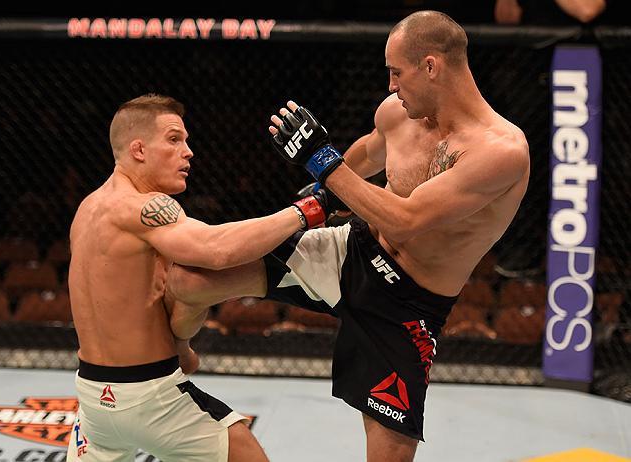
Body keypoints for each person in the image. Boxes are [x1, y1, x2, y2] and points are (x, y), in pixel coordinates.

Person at [168, 10, 530, 462]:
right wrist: (322, 188)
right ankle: (173, 359)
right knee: (188, 279)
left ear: (431, 66)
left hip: (407, 302)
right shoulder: (398, 114)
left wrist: (322, 160)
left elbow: (406, 219)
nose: (391, 86)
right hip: (353, 247)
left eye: (397, 72)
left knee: (388, 457)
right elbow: (365, 155)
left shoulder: (499, 151)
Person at [65, 93, 332, 461]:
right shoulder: (143, 207)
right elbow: (215, 250)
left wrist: (181, 348)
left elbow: (141, 297)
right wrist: (310, 210)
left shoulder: (89, 208)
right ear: (138, 150)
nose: (188, 151)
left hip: (93, 401)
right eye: (174, 139)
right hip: (148, 396)